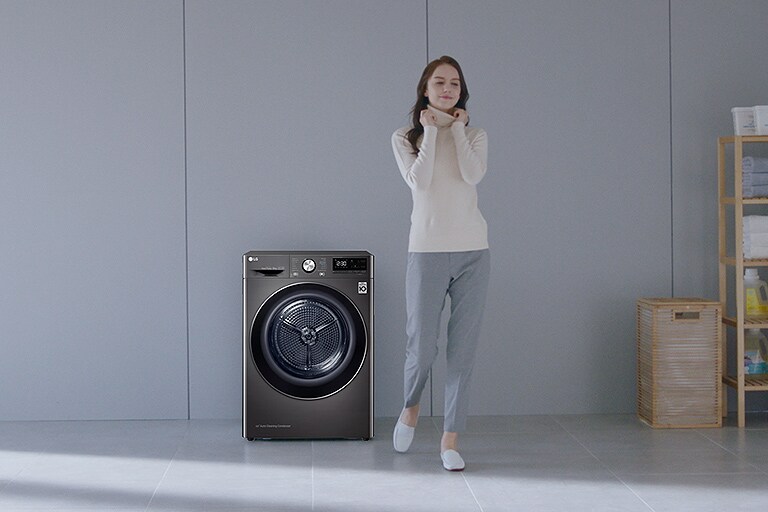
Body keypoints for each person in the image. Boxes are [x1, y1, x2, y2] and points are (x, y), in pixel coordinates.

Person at [390, 56, 490, 471]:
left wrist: (458, 129)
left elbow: (472, 176)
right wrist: (431, 130)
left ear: (460, 92)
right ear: (426, 90)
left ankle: (451, 439)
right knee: (422, 348)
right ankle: (411, 406)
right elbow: (420, 180)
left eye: (454, 83)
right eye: (439, 82)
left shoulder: (476, 135)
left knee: (462, 353)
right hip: (426, 251)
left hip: (473, 252)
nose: (447, 88)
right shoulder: (404, 136)